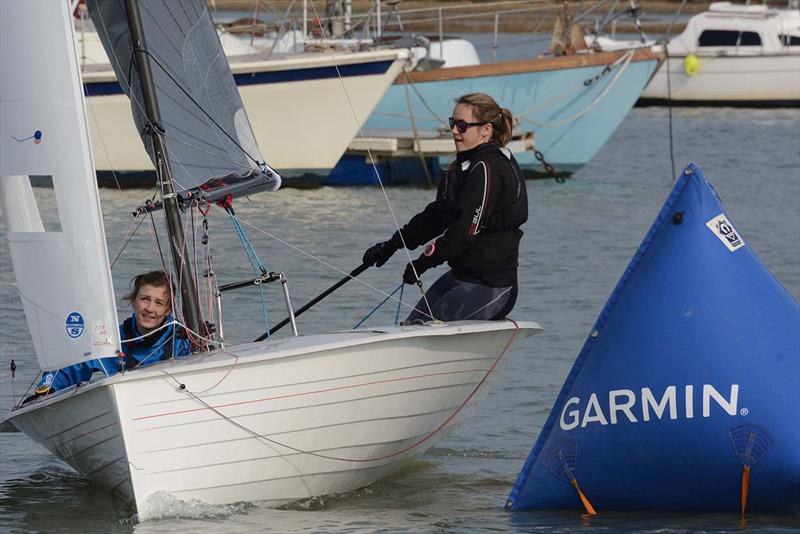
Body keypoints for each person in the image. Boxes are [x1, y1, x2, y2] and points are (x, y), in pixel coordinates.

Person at [362, 93, 528, 323]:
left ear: (486, 130)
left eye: (462, 126)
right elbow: (438, 215)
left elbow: (466, 231)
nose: (454, 131)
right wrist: (393, 244)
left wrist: (425, 261)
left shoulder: (488, 167)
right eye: (453, 124)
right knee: (410, 327)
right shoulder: (465, 166)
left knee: (419, 333)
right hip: (461, 277)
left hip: (491, 285)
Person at [32, 271, 191, 396]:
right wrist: (46, 389)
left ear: (168, 310)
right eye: (144, 299)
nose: (150, 308)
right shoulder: (110, 340)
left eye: (158, 303)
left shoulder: (186, 340)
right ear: (133, 301)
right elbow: (70, 366)